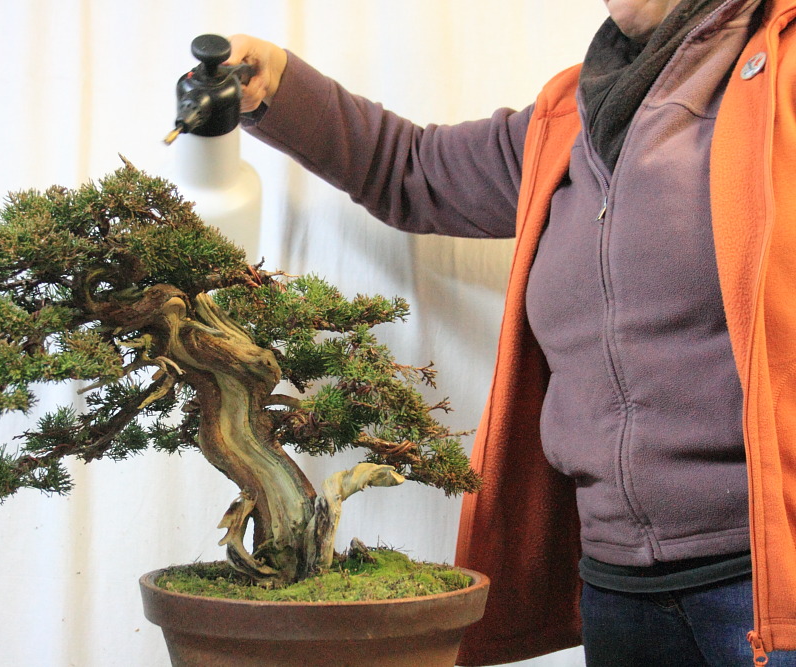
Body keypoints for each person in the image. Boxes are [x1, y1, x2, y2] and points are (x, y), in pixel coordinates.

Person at [226, 0, 796, 665]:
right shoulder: (568, 118)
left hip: (765, 576)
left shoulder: (780, 71)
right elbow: (412, 168)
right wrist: (278, 83)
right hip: (619, 588)